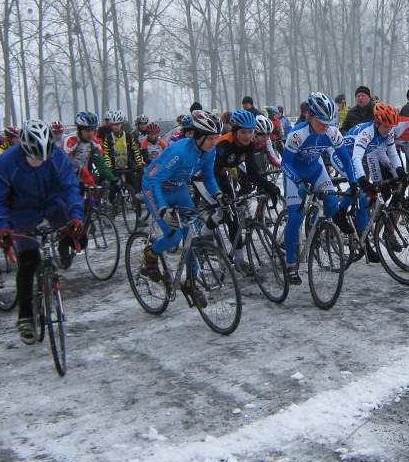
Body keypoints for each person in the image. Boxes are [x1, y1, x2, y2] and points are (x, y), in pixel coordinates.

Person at [0, 120, 85, 344]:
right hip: (22, 211)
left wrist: (76, 218)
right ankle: (25, 317)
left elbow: (70, 187)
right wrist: (2, 227)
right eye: (34, 159)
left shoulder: (57, 157)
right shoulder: (7, 163)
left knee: (80, 234)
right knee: (28, 262)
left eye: (44, 158)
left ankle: (63, 247)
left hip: (52, 204)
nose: (40, 162)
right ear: (24, 150)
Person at [140, 110, 224, 308]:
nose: (214, 142)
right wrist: (162, 209)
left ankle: (190, 282)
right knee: (174, 236)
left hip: (178, 188)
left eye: (216, 138)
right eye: (210, 138)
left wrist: (218, 195)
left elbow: (208, 177)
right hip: (155, 187)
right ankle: (151, 254)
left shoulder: (209, 151)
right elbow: (156, 181)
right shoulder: (179, 152)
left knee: (192, 236)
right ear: (199, 137)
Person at [281, 92, 357, 285]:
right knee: (296, 216)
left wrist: (354, 182)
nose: (325, 126)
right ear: (309, 116)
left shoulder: (332, 132)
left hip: (316, 170)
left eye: (328, 122)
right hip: (295, 174)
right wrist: (297, 182)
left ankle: (316, 225)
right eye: (321, 121)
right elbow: (286, 164)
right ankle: (290, 264)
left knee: (332, 202)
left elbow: (346, 159)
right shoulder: (297, 134)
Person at [331, 103, 405, 261]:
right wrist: (363, 181)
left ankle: (360, 229)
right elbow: (356, 158)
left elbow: (392, 153)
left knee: (364, 197)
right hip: (342, 157)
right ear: (377, 123)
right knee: (360, 190)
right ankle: (340, 214)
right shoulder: (366, 133)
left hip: (355, 158)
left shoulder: (388, 132)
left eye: (391, 127)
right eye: (386, 127)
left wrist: (399, 171)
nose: (389, 130)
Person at [210, 110, 281, 273]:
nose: (248, 136)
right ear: (234, 131)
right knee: (225, 213)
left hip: (223, 172)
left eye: (251, 132)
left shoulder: (249, 145)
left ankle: (240, 261)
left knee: (233, 215)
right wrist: (221, 197)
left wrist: (270, 187)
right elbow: (212, 173)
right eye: (243, 132)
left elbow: (252, 173)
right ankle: (205, 232)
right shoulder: (223, 144)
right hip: (205, 176)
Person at [62, 111, 119, 193]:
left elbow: (100, 164)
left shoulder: (94, 142)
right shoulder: (71, 141)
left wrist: (112, 180)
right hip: (64, 170)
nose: (91, 133)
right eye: (87, 130)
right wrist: (79, 182)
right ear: (80, 129)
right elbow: (65, 167)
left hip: (80, 168)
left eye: (93, 130)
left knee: (91, 187)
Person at [100, 109, 144, 193]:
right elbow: (106, 154)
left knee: (135, 189)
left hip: (128, 166)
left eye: (117, 124)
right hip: (114, 168)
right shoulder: (108, 138)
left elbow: (136, 151)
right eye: (113, 125)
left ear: (121, 124)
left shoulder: (129, 137)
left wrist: (139, 164)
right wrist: (109, 166)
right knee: (113, 191)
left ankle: (134, 203)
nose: (115, 127)